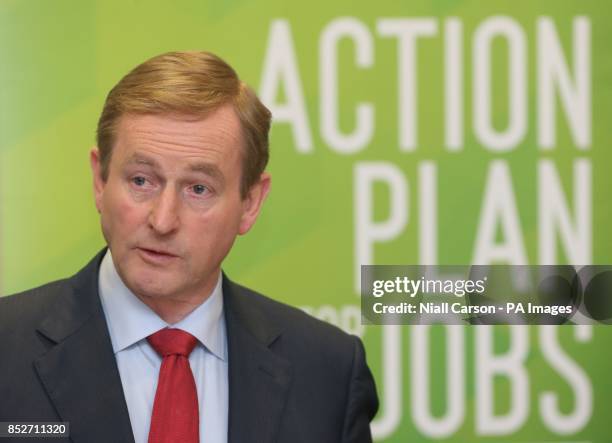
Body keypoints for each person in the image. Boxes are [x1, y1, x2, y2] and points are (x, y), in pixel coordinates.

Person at [0, 51, 379, 443]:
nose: (162, 221)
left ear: (250, 203)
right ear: (100, 179)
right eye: (141, 180)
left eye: (199, 189)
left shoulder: (328, 373)